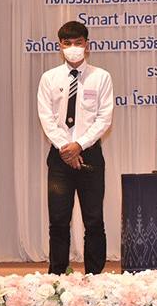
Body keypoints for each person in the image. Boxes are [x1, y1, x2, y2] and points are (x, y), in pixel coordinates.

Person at [37, 21, 114, 275]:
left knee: (94, 219)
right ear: (60, 46)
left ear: (87, 46)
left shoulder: (101, 77)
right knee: (59, 220)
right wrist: (66, 149)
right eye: (67, 43)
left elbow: (104, 118)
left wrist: (79, 145)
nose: (73, 48)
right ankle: (58, 276)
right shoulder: (49, 78)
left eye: (78, 43)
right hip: (59, 159)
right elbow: (46, 118)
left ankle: (94, 276)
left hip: (90, 156)